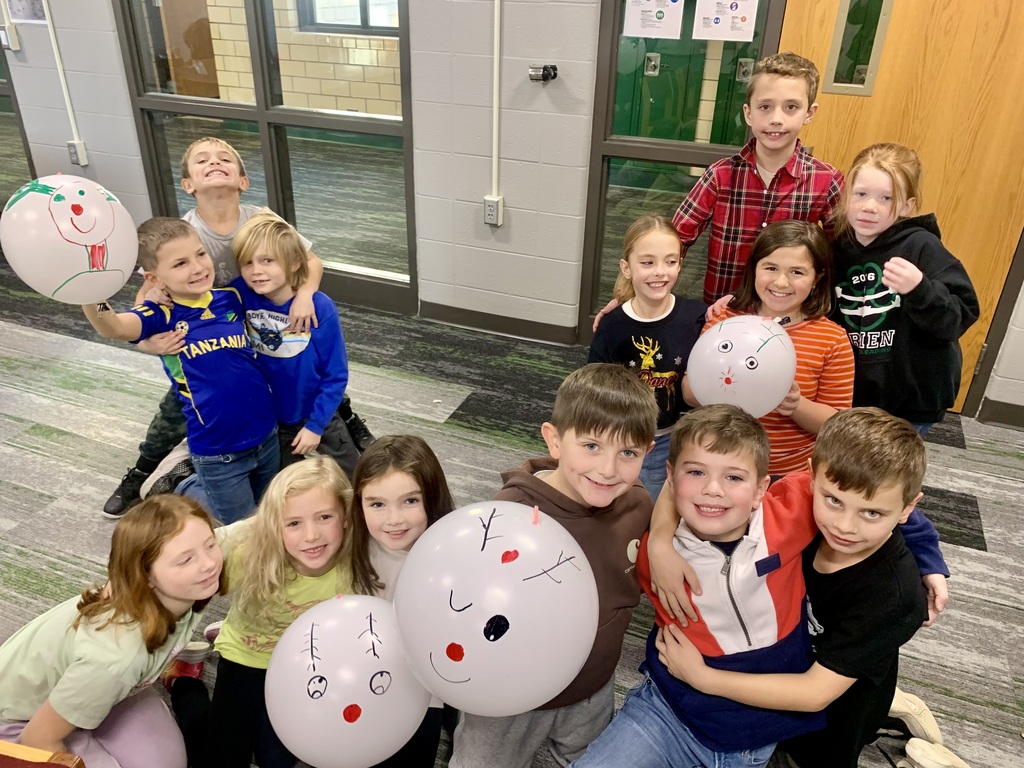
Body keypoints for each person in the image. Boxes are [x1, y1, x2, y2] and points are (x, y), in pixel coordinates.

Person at [569, 405, 947, 768]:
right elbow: (688, 471)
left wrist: (928, 560)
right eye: (832, 501)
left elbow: (815, 694)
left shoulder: (892, 595)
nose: (844, 527)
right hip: (675, 709)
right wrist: (660, 541)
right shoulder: (806, 501)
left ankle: (894, 710)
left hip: (821, 707)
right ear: (813, 479)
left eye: (870, 515)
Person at [102, 136, 374, 517]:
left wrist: (305, 294)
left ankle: (342, 420)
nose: (215, 161)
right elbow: (147, 299)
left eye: (225, 157)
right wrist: (148, 345)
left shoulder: (261, 219)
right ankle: (143, 472)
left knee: (302, 374)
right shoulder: (182, 233)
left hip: (260, 329)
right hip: (207, 343)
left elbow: (310, 261)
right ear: (188, 185)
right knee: (180, 410)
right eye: (202, 159)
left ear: (243, 180)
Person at [448, 363, 658, 768]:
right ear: (555, 440)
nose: (608, 469)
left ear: (646, 452)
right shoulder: (508, 515)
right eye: (592, 446)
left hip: (593, 687)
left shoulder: (637, 504)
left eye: (627, 452)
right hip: (511, 698)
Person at [0, 495, 225, 768]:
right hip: (23, 722)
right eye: (185, 560)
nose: (209, 563)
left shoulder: (182, 582)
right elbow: (38, 739)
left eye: (210, 544)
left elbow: (250, 531)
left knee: (167, 762)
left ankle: (93, 707)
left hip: (99, 686)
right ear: (145, 577)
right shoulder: (117, 657)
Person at [83, 217, 279, 525]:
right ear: (155, 278)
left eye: (200, 254)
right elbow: (115, 327)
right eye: (180, 264)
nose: (198, 267)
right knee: (243, 531)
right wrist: (89, 294)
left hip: (267, 435)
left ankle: (193, 482)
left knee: (269, 512)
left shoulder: (231, 297)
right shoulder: (160, 314)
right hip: (219, 451)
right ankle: (180, 483)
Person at [171, 456, 354, 768]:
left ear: (347, 517)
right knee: (220, 757)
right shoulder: (248, 549)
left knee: (276, 760)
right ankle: (183, 682)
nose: (311, 535)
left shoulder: (359, 557)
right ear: (272, 525)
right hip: (246, 654)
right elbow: (179, 555)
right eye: (294, 522)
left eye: (324, 517)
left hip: (302, 667)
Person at [830, 143, 979, 434]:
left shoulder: (921, 246)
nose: (870, 206)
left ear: (907, 206)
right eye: (861, 194)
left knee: (890, 475)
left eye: (886, 198)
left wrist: (920, 289)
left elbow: (961, 315)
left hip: (910, 401)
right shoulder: (837, 248)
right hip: (853, 396)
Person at [687, 221, 855, 475]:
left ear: (817, 279)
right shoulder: (724, 318)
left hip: (787, 473)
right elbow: (689, 392)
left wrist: (796, 405)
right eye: (770, 267)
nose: (781, 282)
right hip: (718, 464)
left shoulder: (832, 339)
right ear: (754, 268)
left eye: (797, 272)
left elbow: (837, 423)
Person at [349, 434, 457, 767]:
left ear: (432, 496)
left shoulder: (453, 551)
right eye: (377, 504)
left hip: (432, 687)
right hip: (370, 676)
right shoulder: (352, 543)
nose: (394, 519)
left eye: (410, 501)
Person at [231, 213, 359, 477]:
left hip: (316, 415)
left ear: (294, 262)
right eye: (247, 263)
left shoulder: (320, 307)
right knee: (283, 492)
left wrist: (316, 426)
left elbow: (335, 376)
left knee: (354, 483)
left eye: (267, 260)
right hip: (271, 422)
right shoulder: (239, 294)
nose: (256, 271)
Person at [588, 215, 707, 499]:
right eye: (647, 262)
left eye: (671, 261)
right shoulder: (612, 325)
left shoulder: (698, 317)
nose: (660, 272)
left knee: (652, 507)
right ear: (626, 268)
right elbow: (593, 391)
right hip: (620, 439)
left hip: (671, 439)